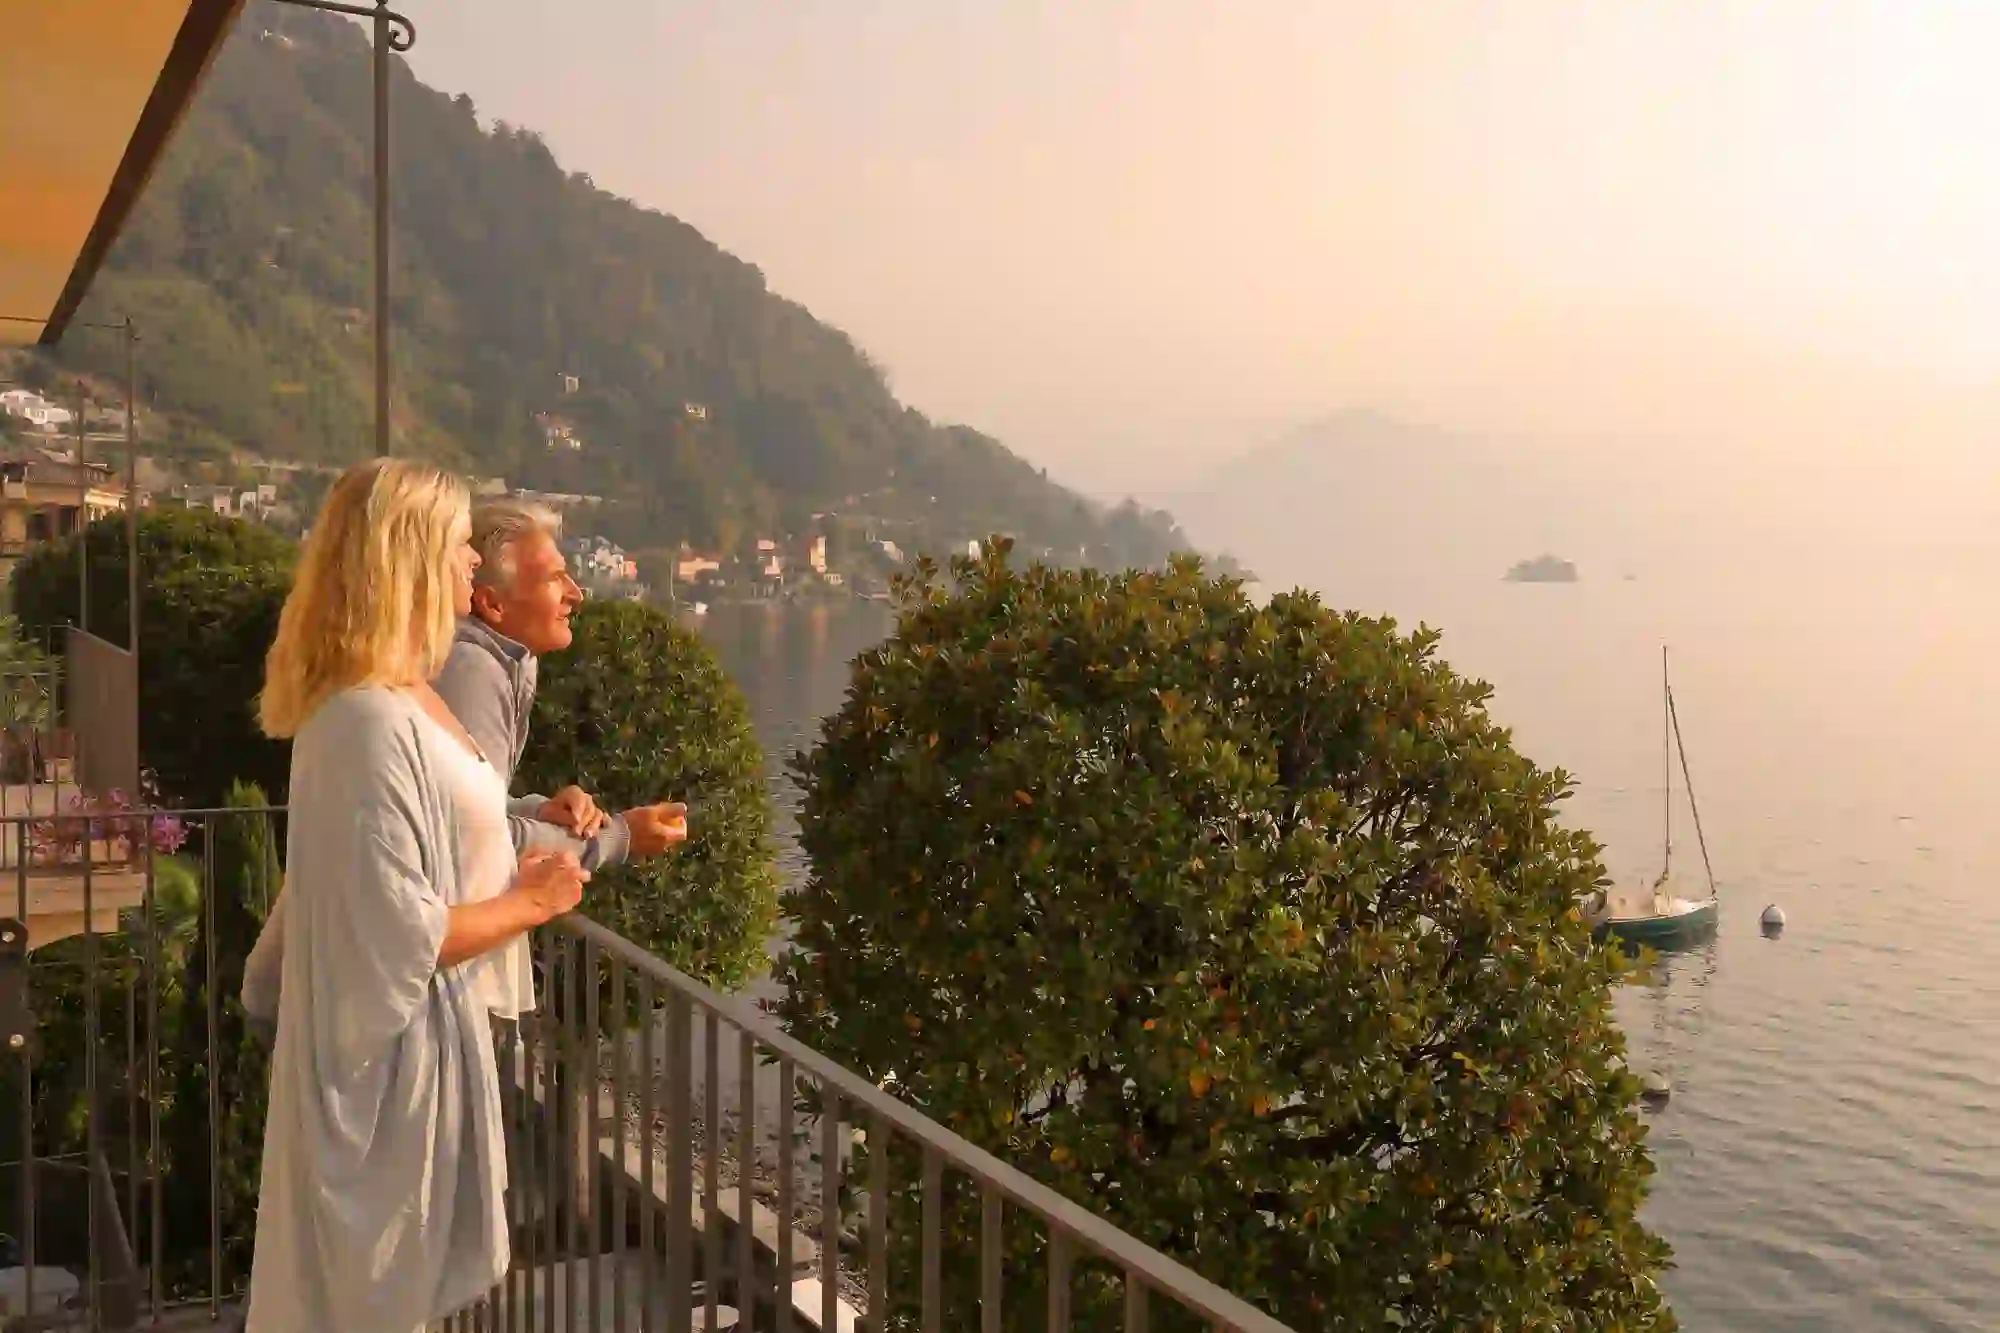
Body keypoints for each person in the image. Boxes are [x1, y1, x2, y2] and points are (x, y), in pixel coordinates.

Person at [241, 459, 588, 1333]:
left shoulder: (403, 698)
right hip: (385, 1084)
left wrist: (532, 824)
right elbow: (402, 932)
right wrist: (535, 900)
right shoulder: (365, 720)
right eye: (461, 549)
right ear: (411, 559)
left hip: (423, 1056)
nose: (473, 569)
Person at [433, 498, 687, 864]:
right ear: (493, 604)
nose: (576, 594)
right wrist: (619, 837)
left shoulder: (508, 659)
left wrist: (538, 812)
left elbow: (475, 807)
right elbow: (475, 841)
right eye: (554, 579)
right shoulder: (471, 668)